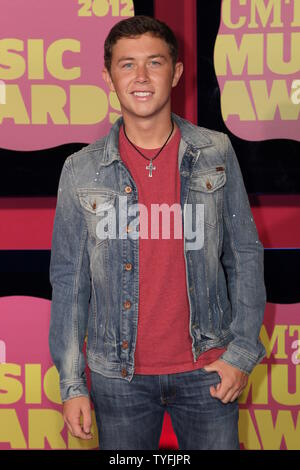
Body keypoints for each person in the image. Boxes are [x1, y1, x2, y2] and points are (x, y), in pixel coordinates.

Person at [48, 15, 266, 450]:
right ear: (108, 76)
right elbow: (70, 281)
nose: (142, 77)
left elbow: (244, 255)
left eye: (155, 62)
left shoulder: (215, 151)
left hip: (208, 369)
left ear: (177, 72)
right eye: (127, 65)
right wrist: (73, 385)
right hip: (117, 377)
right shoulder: (80, 169)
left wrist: (240, 354)